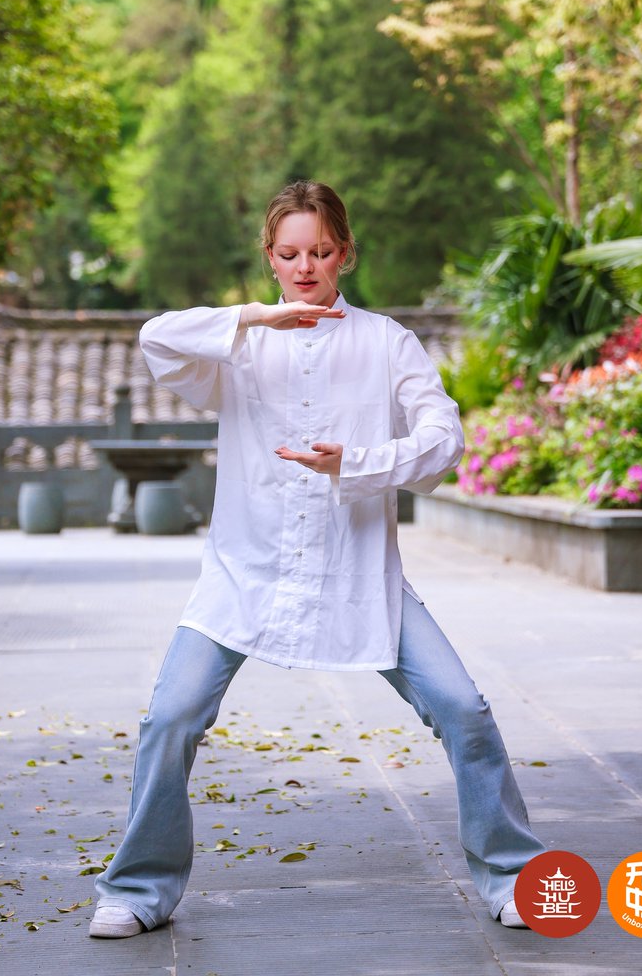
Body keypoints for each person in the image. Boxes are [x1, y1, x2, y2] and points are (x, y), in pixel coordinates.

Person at [89, 180, 544, 940]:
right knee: (169, 718)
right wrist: (253, 319)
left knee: (464, 710)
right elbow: (156, 339)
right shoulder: (236, 346)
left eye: (322, 251)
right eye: (290, 253)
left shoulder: (387, 341)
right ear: (269, 258)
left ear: (347, 253)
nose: (307, 267)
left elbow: (444, 440)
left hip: (360, 573)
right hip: (245, 574)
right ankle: (138, 888)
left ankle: (512, 876)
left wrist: (356, 462)